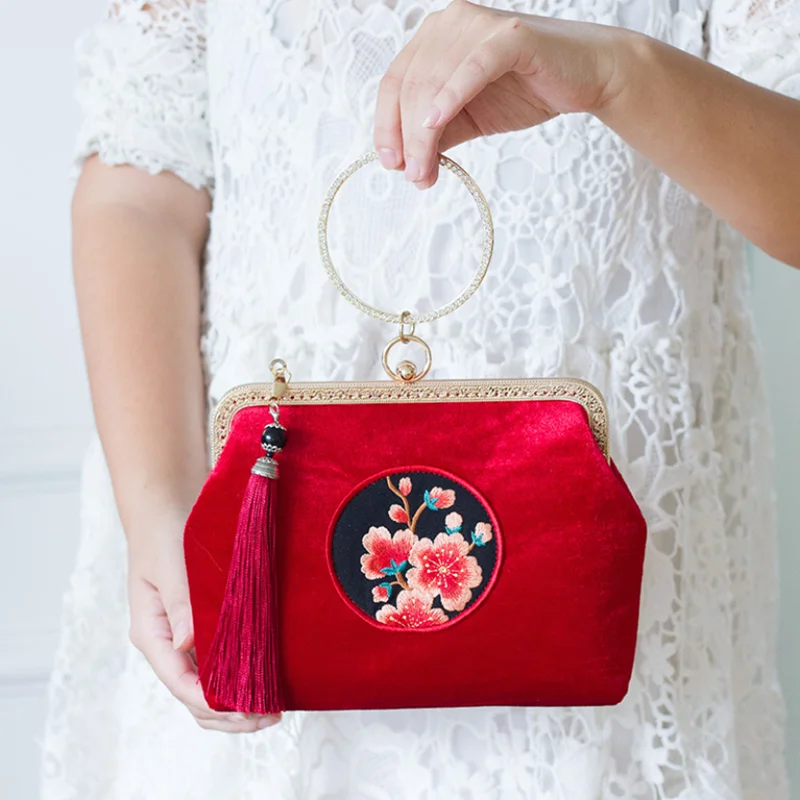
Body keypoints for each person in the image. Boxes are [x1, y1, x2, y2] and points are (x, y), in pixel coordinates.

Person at [41, 0, 799, 797]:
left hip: (608, 616)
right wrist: (157, 506)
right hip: (247, 552)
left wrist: (619, 75)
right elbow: (138, 191)